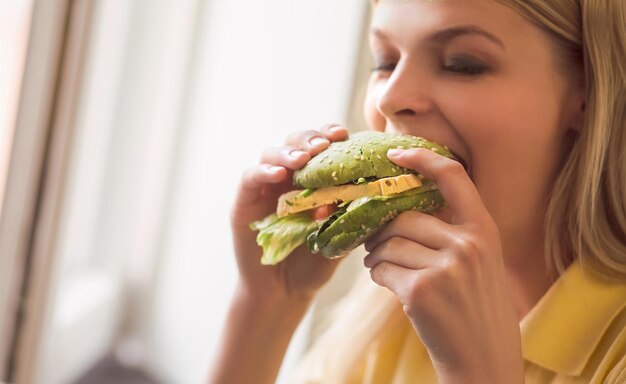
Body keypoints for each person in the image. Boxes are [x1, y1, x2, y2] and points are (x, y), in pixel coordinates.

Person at [209, 0, 626, 382]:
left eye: (462, 64)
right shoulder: (394, 314)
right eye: (385, 61)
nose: (390, 98)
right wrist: (266, 304)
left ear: (587, 95)